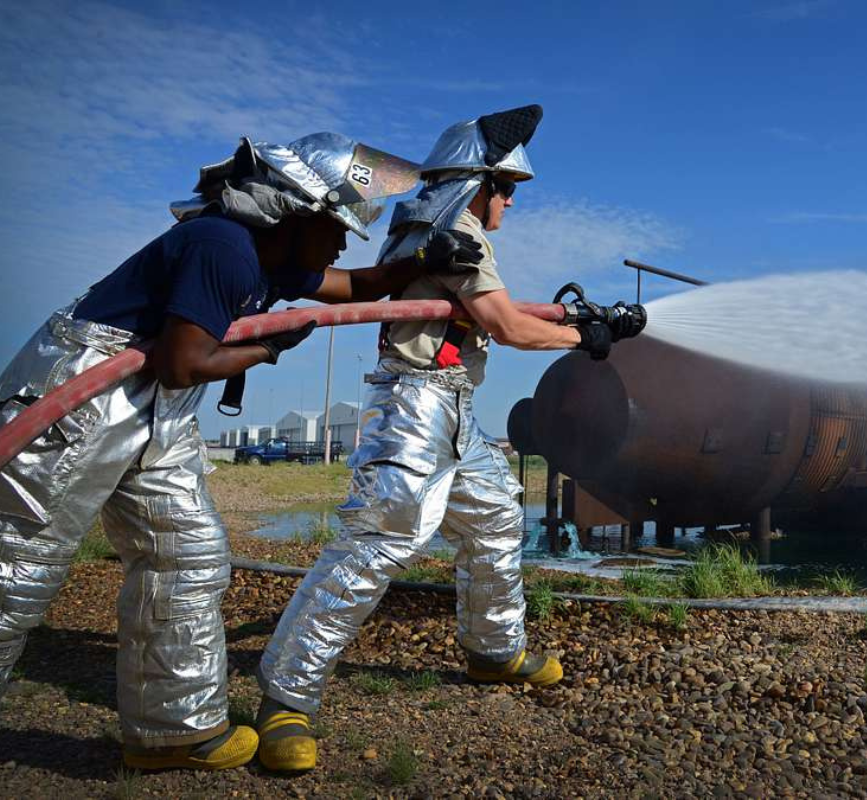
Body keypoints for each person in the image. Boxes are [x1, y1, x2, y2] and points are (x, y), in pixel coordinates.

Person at [0, 132, 478, 770]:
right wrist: (269, 347)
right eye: (334, 224)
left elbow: (355, 285)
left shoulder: (265, 254)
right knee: (17, 567)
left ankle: (176, 730)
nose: (341, 239)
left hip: (152, 404)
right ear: (295, 211)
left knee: (186, 555)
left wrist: (422, 255)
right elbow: (183, 362)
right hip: (83, 389)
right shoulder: (221, 244)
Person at [255, 105, 641, 772]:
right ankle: (285, 697)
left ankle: (494, 651)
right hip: (413, 404)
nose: (511, 202)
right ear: (477, 183)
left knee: (494, 516)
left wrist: (585, 320)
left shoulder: (434, 228)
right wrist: (589, 337)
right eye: (506, 188)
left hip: (453, 405)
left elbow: (494, 313)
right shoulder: (455, 229)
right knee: (379, 542)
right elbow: (509, 326)